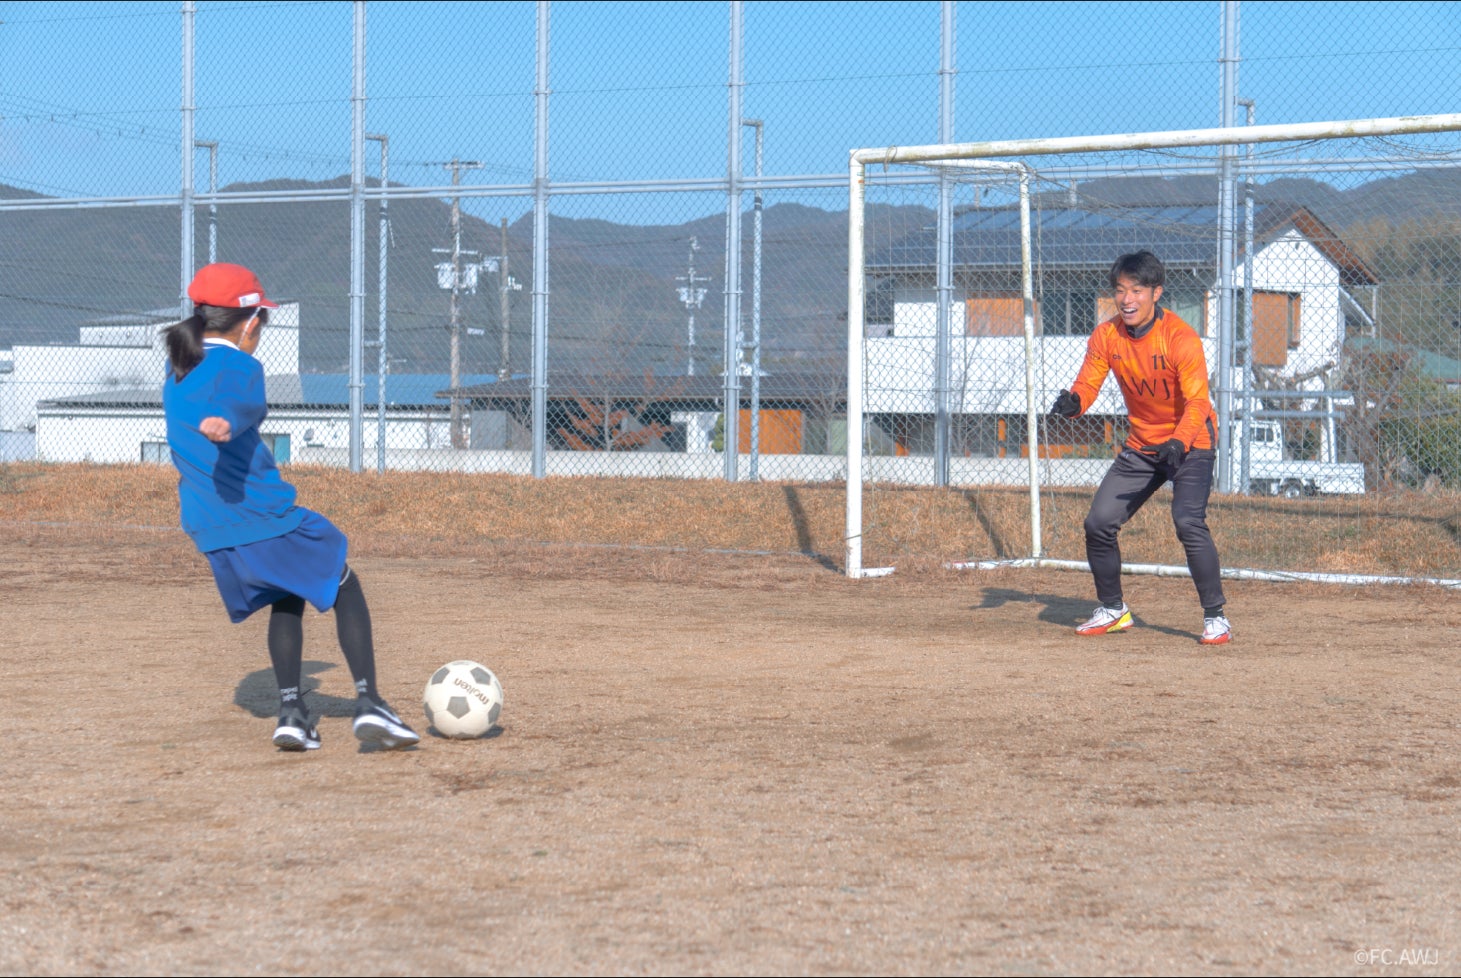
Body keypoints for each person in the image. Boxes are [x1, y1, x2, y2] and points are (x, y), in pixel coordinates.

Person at [163, 262, 420, 750]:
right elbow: (244, 403)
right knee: (343, 577)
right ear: (252, 322)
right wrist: (228, 421)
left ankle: (292, 714)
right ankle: (371, 703)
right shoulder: (240, 365)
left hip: (209, 525)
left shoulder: (179, 368)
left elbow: (225, 403)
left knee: (288, 591)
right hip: (260, 515)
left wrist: (224, 420)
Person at [1049, 250, 1231, 646]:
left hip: (1191, 441)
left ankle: (1215, 616)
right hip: (1143, 445)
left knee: (1187, 522)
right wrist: (1074, 404)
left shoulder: (1181, 338)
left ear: (1156, 293)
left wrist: (1179, 442)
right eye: (1120, 290)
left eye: (1137, 289)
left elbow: (1199, 404)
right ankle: (1113, 609)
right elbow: (1088, 383)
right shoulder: (1106, 336)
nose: (1127, 299)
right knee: (1098, 523)